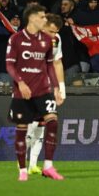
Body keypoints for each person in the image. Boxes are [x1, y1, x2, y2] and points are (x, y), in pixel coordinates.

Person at [6, 4, 64, 181]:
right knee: (22, 130)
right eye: (42, 17)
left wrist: (56, 87)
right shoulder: (15, 39)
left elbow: (50, 64)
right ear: (32, 18)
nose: (45, 20)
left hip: (43, 90)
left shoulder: (47, 40)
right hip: (23, 92)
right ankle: (23, 170)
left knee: (52, 121)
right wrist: (21, 83)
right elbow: (9, 64)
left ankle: (48, 166)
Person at [25, 13, 67, 175]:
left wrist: (61, 88)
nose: (53, 35)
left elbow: (57, 63)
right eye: (50, 31)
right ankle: (22, 160)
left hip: (47, 87)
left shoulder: (56, 40)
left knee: (44, 126)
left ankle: (33, 165)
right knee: (31, 125)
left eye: (56, 32)